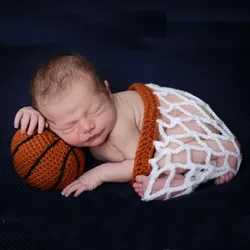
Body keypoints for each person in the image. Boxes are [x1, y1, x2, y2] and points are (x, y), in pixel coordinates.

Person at [14, 53, 242, 200]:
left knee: (158, 162)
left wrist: (98, 175)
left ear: (107, 91)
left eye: (94, 111)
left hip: (177, 124)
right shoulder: (64, 117)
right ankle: (179, 180)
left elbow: (139, 164)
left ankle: (220, 148)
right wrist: (32, 115)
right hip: (168, 129)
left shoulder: (119, 126)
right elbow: (52, 121)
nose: (87, 126)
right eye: (70, 125)